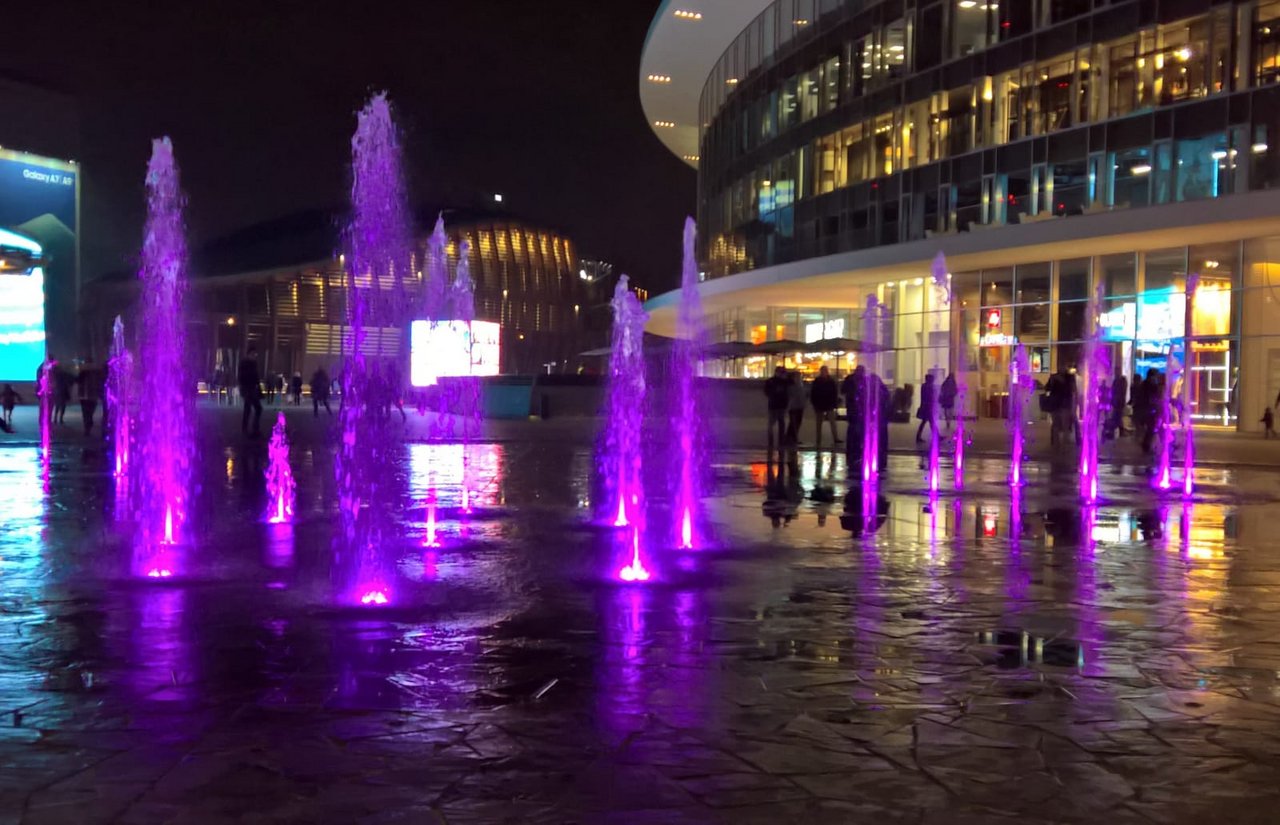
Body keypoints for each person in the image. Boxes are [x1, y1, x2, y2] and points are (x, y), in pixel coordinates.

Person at [810, 366, 841, 448]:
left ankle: (821, 439)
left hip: (825, 403)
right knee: (825, 422)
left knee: (828, 422)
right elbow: (813, 393)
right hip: (822, 403)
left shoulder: (821, 381)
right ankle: (830, 438)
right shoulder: (829, 381)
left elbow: (813, 392)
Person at [238, 346, 264, 436]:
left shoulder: (252, 363)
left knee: (253, 408)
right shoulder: (245, 363)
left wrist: (258, 387)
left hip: (251, 389)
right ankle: (250, 428)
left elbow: (256, 377)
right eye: (253, 354)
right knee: (252, 408)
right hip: (248, 389)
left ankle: (250, 428)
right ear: (249, 354)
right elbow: (243, 377)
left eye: (255, 354)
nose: (255, 355)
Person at [76, 359, 105, 436]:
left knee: (88, 413)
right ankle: (87, 427)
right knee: (86, 413)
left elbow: (100, 384)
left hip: (91, 396)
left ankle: (88, 425)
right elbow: (78, 381)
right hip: (86, 396)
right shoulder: (83, 373)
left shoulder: (95, 373)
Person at [763, 366, 790, 447]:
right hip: (777, 404)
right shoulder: (778, 382)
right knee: (778, 422)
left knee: (777, 423)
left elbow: (767, 392)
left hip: (777, 404)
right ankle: (777, 440)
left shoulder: (773, 381)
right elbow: (767, 392)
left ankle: (775, 440)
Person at [915, 373, 938, 444]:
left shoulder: (924, 386)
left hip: (925, 406)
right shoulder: (929, 387)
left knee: (927, 422)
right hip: (928, 407)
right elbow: (931, 397)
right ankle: (936, 436)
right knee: (930, 422)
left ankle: (919, 436)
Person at [1108, 368, 1129, 438]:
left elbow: (1122, 391)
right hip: (1117, 402)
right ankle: (1118, 431)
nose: (1116, 373)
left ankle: (1118, 431)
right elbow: (1113, 390)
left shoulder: (1122, 380)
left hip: (1119, 402)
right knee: (1117, 416)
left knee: (1117, 416)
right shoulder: (1117, 380)